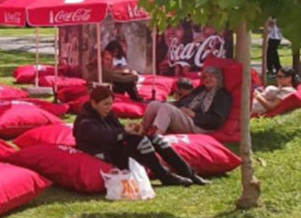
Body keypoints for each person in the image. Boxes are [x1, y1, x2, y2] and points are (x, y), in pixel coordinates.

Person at [73, 86, 207, 186]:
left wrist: (131, 130)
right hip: (103, 154)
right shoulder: (85, 122)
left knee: (157, 139)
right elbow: (104, 137)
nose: (109, 108)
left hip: (115, 147)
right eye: (105, 104)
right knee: (141, 142)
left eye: (111, 104)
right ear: (94, 103)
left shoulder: (108, 115)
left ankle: (189, 173)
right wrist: (126, 133)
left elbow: (118, 130)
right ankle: (165, 176)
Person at [141, 66, 232, 135]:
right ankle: (142, 131)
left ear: (219, 78)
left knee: (166, 108)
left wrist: (194, 115)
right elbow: (183, 102)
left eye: (211, 76)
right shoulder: (201, 90)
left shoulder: (222, 95)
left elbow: (217, 121)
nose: (207, 79)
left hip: (199, 125)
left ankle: (156, 137)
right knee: (154, 104)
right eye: (205, 77)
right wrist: (174, 105)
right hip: (186, 116)